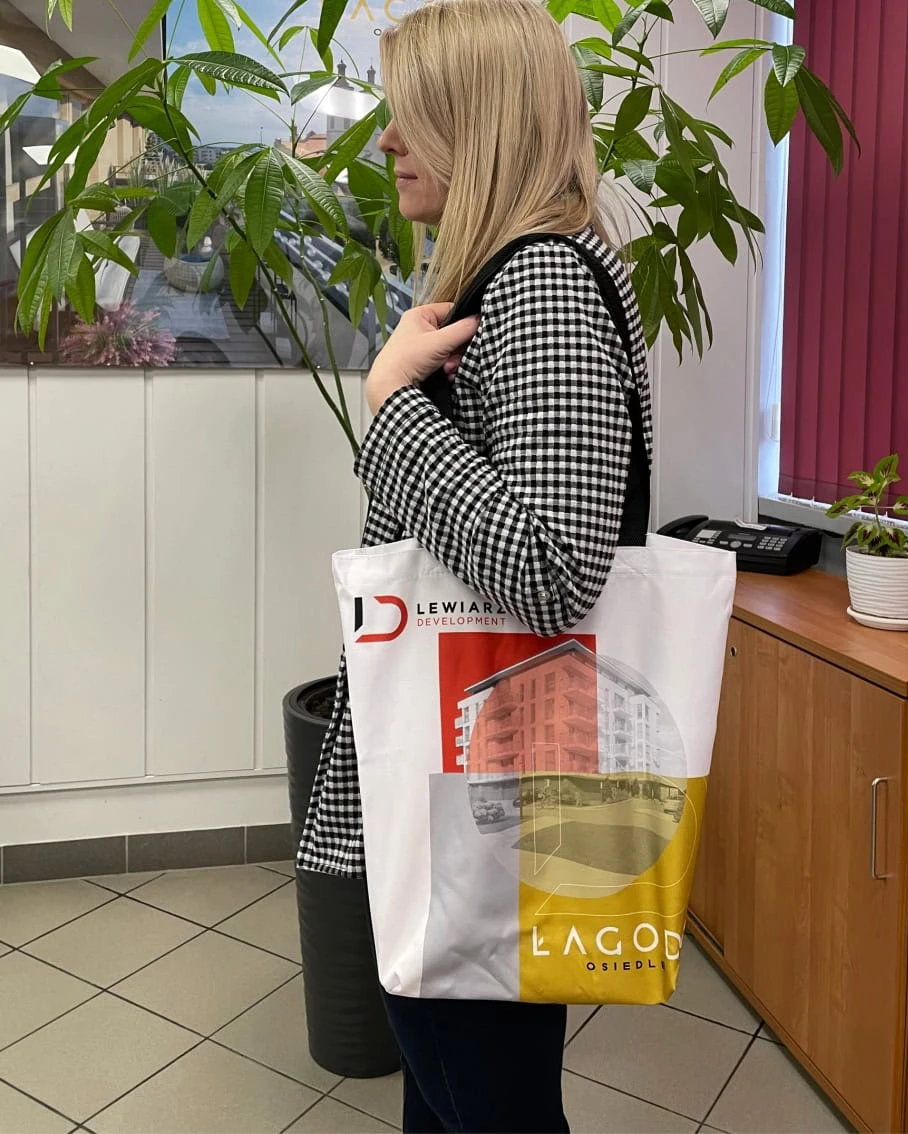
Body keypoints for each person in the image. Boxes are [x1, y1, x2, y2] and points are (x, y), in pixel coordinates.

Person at [298, 1, 653, 1129]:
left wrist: (392, 403)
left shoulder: (541, 281)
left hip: (487, 794)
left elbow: (553, 570)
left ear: (480, 120)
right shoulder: (512, 276)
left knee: (487, 1103)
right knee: (456, 1093)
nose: (387, 139)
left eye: (412, 114)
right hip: (485, 779)